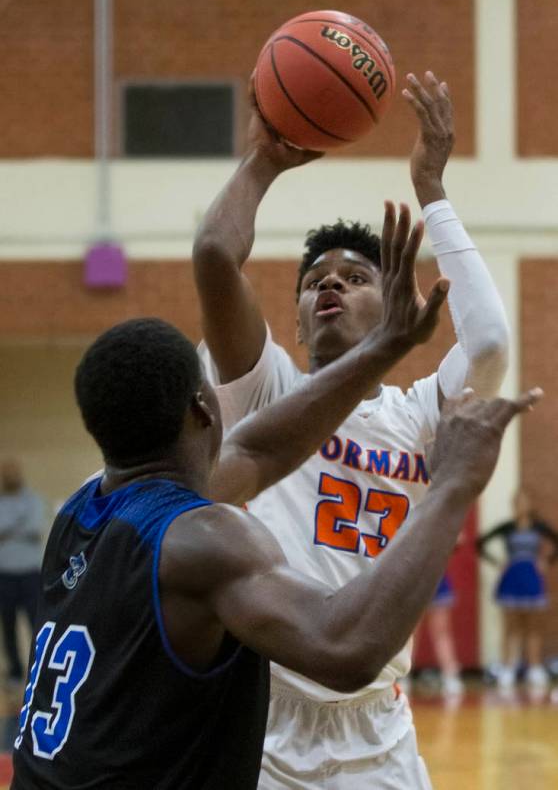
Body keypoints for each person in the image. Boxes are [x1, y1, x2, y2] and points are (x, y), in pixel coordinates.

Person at [10, 312, 539, 788]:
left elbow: (261, 447)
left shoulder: (78, 510)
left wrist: (386, 344)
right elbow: (346, 648)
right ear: (204, 408)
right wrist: (451, 486)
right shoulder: (204, 540)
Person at [193, 71, 510, 788]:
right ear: (299, 317)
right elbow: (215, 259)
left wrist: (432, 188)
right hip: (265, 721)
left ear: (395, 298)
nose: (331, 284)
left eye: (357, 276)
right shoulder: (268, 391)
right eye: (315, 281)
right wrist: (263, 160)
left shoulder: (419, 412)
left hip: (378, 727)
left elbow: (490, 344)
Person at [477, 489, 558, 689]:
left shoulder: (539, 527)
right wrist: (498, 562)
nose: (520, 506)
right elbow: (480, 543)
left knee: (532, 625)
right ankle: (508, 667)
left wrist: (546, 561)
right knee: (511, 626)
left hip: (531, 577)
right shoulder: (508, 527)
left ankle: (534, 667)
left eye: (523, 502)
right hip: (512, 577)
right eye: (516, 503)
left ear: (529, 505)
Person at [0, 459, 44, 690]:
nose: (10, 477)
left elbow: (34, 529)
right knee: (8, 626)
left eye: (13, 473)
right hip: (4, 575)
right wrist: (20, 526)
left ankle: (39, 668)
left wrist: (7, 532)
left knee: (35, 622)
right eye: (6, 474)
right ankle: (15, 672)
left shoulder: (33, 500)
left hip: (30, 574)